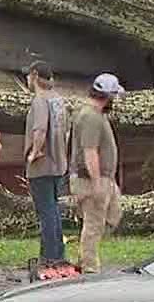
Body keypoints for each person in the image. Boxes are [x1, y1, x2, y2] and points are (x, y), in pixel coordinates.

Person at [71, 73, 125, 274]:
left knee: (113, 215)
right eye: (113, 96)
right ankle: (89, 268)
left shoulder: (98, 115)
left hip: (105, 177)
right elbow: (90, 151)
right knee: (94, 224)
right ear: (107, 95)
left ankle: (84, 256)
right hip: (92, 178)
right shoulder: (90, 117)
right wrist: (96, 183)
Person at [22, 62, 69, 268]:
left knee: (46, 212)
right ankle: (56, 252)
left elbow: (39, 130)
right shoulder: (59, 100)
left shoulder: (40, 101)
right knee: (54, 210)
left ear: (34, 76)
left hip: (42, 166)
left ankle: (51, 257)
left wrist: (34, 153)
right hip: (59, 164)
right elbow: (66, 131)